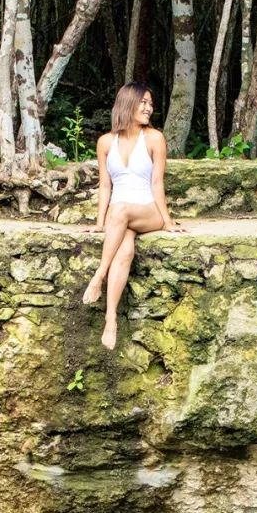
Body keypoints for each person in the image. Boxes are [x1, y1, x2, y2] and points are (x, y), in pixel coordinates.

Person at [83, 83, 184, 351]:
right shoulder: (106, 142)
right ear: (128, 103)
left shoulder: (154, 139)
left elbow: (157, 184)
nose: (149, 108)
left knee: (121, 211)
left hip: (147, 211)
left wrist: (168, 220)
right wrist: (99, 223)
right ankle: (111, 317)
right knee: (125, 250)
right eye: (144, 103)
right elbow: (105, 186)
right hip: (121, 217)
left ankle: (99, 276)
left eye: (151, 103)